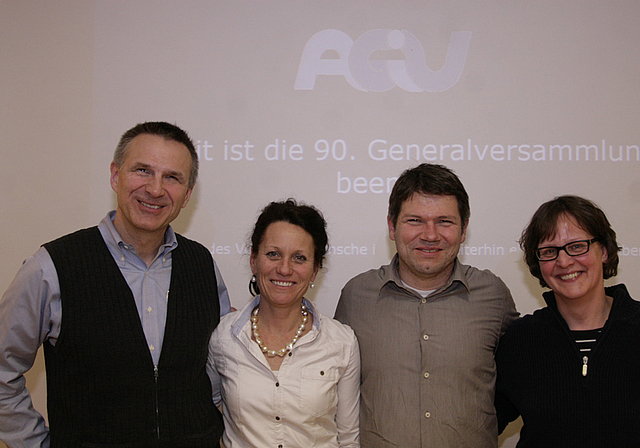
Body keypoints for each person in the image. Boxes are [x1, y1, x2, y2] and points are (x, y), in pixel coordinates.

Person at [0, 122, 231, 447]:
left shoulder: (203, 267)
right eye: (142, 170)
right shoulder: (52, 267)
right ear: (115, 175)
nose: (154, 189)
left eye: (172, 177)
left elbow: (217, 372)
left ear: (187, 193)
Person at [334, 163, 518, 448]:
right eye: (415, 221)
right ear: (392, 226)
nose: (430, 235)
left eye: (444, 221)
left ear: (464, 228)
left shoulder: (493, 296)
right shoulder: (357, 296)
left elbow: (518, 385)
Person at [209, 199, 360, 447]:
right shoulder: (224, 336)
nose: (284, 269)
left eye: (299, 258)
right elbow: (212, 407)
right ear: (254, 261)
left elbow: (348, 438)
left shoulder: (342, 342)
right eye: (273, 254)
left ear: (314, 271)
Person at [495, 195, 640, 446]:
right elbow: (480, 422)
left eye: (576, 246)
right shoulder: (520, 341)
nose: (563, 261)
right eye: (549, 252)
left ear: (604, 251)